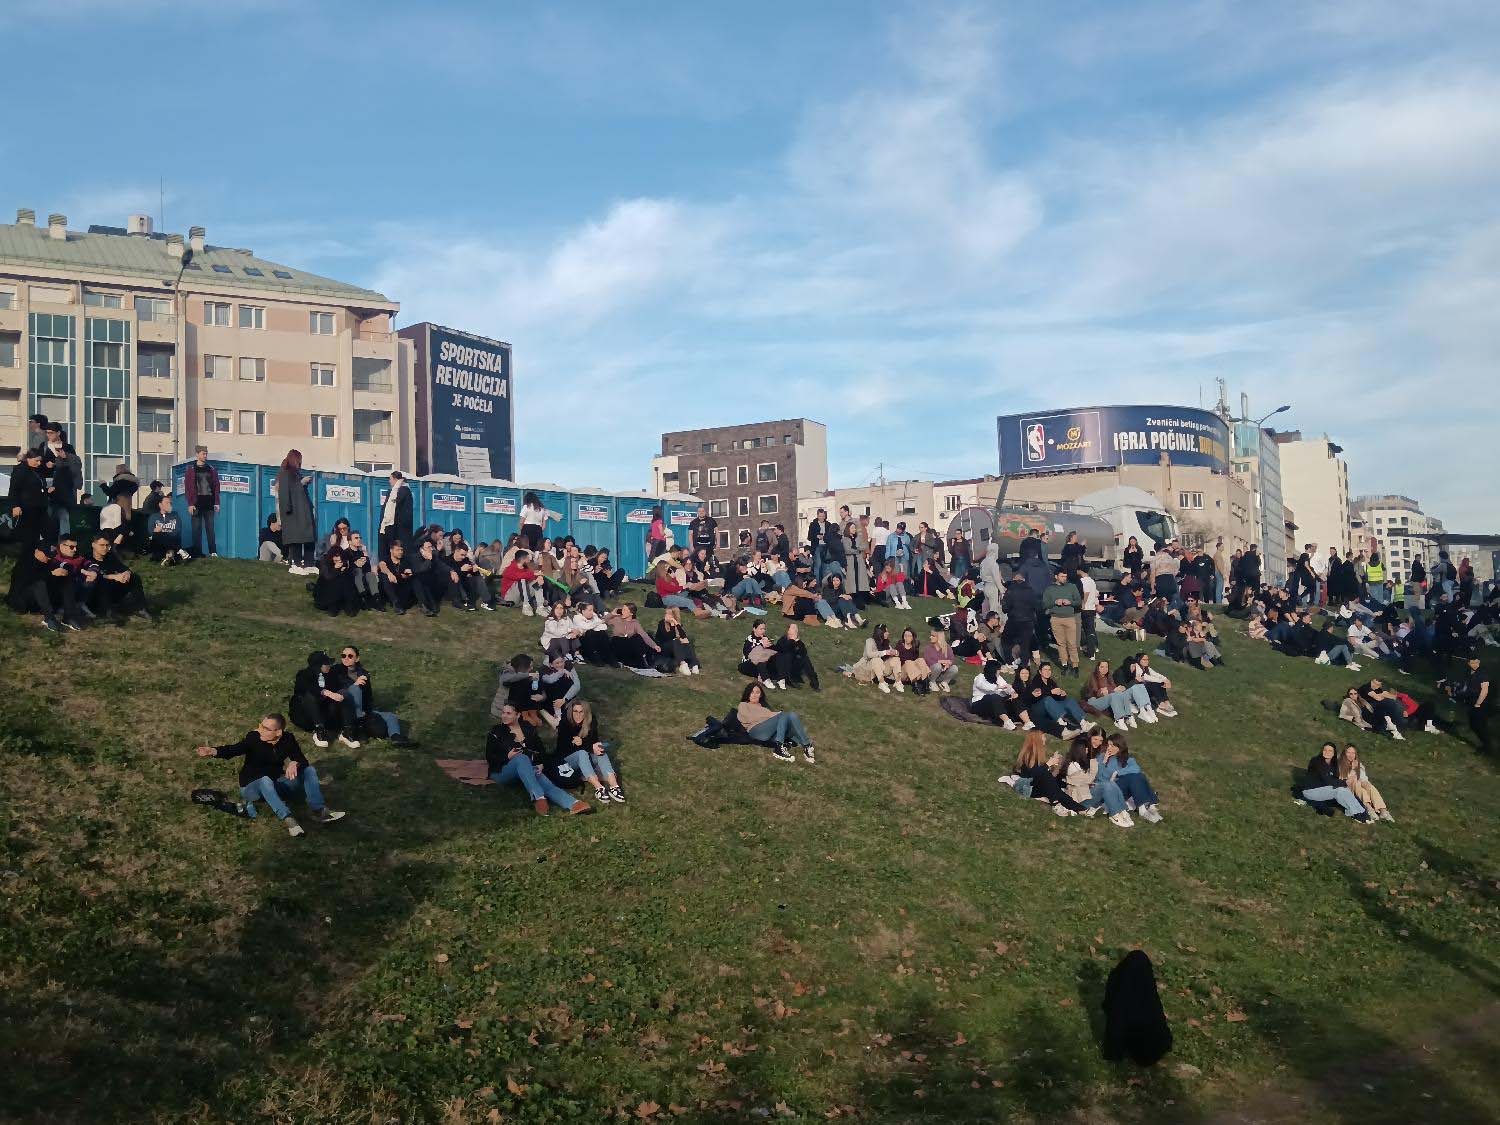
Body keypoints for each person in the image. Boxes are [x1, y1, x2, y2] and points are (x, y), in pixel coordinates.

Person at [194, 713, 345, 836]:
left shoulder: (288, 739)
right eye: (261, 726)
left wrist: (295, 763)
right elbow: (236, 749)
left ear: (278, 732)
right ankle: (289, 819)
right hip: (251, 788)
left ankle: (319, 811)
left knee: (309, 770)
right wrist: (213, 751)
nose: (260, 730)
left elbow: (302, 760)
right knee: (265, 780)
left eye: (265, 728)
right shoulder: (254, 737)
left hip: (276, 783)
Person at [486, 703, 592, 816]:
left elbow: (541, 750)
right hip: (502, 771)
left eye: (508, 713)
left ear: (517, 715)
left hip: (527, 768)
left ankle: (573, 804)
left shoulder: (528, 728)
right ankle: (539, 797)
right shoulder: (496, 732)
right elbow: (490, 757)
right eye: (503, 713)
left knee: (542, 779)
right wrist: (507, 757)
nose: (504, 716)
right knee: (521, 758)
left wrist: (541, 763)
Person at [556, 700, 625, 804]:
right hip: (568, 759)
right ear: (571, 712)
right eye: (575, 711)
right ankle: (599, 788)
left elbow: (593, 742)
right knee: (582, 753)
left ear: (586, 713)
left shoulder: (591, 721)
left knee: (600, 749)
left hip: (585, 755)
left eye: (581, 712)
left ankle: (614, 786)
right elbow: (565, 747)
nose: (578, 715)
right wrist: (586, 744)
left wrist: (585, 743)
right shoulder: (565, 722)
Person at [290, 652, 363, 748]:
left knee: (344, 694)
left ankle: (347, 731)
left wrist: (351, 687)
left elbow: (341, 684)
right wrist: (326, 692)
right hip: (307, 716)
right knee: (309, 696)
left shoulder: (331, 674)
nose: (329, 665)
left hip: (327, 712)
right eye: (326, 664)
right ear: (317, 666)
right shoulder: (303, 675)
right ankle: (319, 730)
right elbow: (305, 688)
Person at [1010, 731, 1088, 817]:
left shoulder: (1038, 756)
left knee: (1056, 789)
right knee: (1052, 785)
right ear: (1037, 740)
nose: (1045, 739)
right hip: (1027, 787)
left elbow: (1048, 779)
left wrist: (1057, 766)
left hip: (1037, 786)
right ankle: (1056, 805)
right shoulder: (1029, 755)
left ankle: (1079, 808)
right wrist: (1049, 764)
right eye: (1043, 737)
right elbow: (1034, 775)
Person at [737, 681, 815, 764]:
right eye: (752, 692)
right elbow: (749, 718)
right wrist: (772, 715)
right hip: (756, 730)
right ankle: (779, 748)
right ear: (748, 694)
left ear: (761, 695)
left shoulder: (764, 708)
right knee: (783, 715)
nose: (755, 695)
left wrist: (772, 715)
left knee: (792, 715)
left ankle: (807, 746)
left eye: (757, 692)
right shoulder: (743, 705)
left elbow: (773, 720)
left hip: (769, 734)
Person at [78, 533, 151, 621]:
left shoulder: (110, 556)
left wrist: (126, 573)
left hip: (111, 591)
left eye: (107, 545)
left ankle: (141, 608)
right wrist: (114, 577)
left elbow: (123, 568)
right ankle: (108, 611)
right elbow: (91, 577)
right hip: (95, 595)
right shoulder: (86, 558)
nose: (105, 548)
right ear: (93, 545)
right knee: (102, 581)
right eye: (101, 545)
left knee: (134, 577)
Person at [1297, 742, 1372, 822]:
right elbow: (1328, 780)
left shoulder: (1333, 764)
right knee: (1339, 790)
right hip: (1310, 791)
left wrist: (1352, 769)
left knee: (1343, 790)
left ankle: (1360, 812)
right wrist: (1345, 782)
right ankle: (1359, 814)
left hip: (1323, 791)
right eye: (1325, 750)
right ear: (1322, 751)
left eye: (1330, 751)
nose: (1327, 752)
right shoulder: (1316, 761)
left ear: (1334, 753)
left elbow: (1336, 779)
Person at [1097, 734, 1163, 823]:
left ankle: (1143, 807)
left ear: (1120, 747)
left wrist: (1117, 773)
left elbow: (1136, 769)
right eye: (1108, 745)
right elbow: (1097, 777)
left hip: (1121, 790)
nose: (1109, 748)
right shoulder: (1101, 758)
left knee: (1138, 776)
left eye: (1112, 746)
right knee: (1133, 777)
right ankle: (1144, 808)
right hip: (1107, 791)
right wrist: (1103, 762)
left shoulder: (1127, 759)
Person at [276, 450, 317, 573]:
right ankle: (296, 564)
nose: (300, 462)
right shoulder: (285, 473)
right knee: (296, 540)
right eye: (299, 460)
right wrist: (301, 483)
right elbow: (285, 493)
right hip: (293, 513)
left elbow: (295, 490)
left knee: (309, 537)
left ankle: (309, 564)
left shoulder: (295, 474)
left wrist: (302, 483)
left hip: (302, 512)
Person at [1085, 659, 1156, 728]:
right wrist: (1103, 691)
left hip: (1108, 697)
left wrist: (1118, 688)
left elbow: (1113, 688)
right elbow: (1095, 692)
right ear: (1098, 668)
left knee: (1126, 692)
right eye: (1102, 667)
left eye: (1106, 667)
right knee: (1114, 695)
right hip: (1094, 701)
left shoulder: (1109, 676)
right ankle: (1119, 719)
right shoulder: (1093, 676)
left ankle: (1130, 715)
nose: (1105, 669)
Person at [39, 421, 82, 537]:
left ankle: (64, 540)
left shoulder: (68, 447)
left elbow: (75, 466)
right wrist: (45, 465)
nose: (49, 435)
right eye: (47, 433)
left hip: (63, 486)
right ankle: (45, 540)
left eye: (51, 433)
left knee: (63, 514)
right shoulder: (43, 446)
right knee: (47, 512)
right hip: (47, 482)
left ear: (58, 433)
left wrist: (61, 461)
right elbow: (38, 464)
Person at [8, 446, 49, 551]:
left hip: (38, 508)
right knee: (28, 536)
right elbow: (14, 489)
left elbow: (39, 486)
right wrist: (15, 505)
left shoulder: (37, 471)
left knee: (38, 535)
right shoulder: (20, 470)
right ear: (29, 459)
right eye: (37, 461)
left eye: (40, 461)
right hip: (26, 508)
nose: (39, 463)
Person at [181, 447, 220, 557]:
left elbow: (216, 486)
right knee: (196, 530)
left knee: (210, 529)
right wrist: (190, 504)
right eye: (203, 454)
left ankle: (213, 552)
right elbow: (188, 488)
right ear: (197, 454)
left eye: (206, 454)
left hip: (209, 503)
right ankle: (198, 552)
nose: (205, 456)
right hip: (196, 504)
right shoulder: (191, 469)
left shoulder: (211, 469)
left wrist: (217, 502)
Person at [1339, 744, 1392, 823]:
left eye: (1353, 753)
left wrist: (1365, 783)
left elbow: (1363, 778)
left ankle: (1383, 810)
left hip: (1358, 786)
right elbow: (1342, 780)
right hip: (1347, 788)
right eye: (1348, 752)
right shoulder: (1339, 764)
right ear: (1344, 753)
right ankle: (1369, 808)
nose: (1351, 755)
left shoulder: (1358, 764)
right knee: (1357, 783)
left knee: (1369, 786)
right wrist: (1351, 769)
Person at [1045, 569, 1083, 675]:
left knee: (1072, 643)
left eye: (1065, 576)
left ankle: (1075, 666)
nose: (1064, 578)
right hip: (1056, 618)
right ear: (1056, 576)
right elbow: (1045, 604)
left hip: (1069, 618)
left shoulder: (1072, 587)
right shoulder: (1050, 589)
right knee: (1061, 643)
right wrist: (1054, 602)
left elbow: (1079, 601)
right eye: (1062, 576)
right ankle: (1064, 665)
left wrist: (1070, 602)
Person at [850, 622, 904, 693]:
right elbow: (869, 655)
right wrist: (884, 652)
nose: (888, 633)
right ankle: (881, 683)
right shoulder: (869, 641)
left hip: (882, 669)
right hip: (868, 668)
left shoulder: (886, 642)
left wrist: (896, 652)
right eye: (886, 631)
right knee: (876, 659)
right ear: (880, 633)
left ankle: (898, 682)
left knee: (896, 659)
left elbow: (892, 652)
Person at [606, 603, 662, 668]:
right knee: (634, 638)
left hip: (628, 646)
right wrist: (612, 614)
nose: (622, 612)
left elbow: (643, 635)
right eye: (622, 609)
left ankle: (646, 660)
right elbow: (603, 620)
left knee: (640, 637)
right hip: (617, 643)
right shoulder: (617, 619)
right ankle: (644, 660)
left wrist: (654, 645)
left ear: (631, 613)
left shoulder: (635, 623)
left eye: (624, 610)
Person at [1457, 655, 1491, 754]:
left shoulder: (1482, 673)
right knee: (1475, 725)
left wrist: (1478, 703)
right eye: (1472, 663)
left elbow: (1484, 690)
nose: (1475, 664)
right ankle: (1486, 745)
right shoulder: (1469, 672)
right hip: (1471, 702)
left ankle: (1488, 748)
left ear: (1479, 662)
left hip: (1481, 704)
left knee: (1478, 725)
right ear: (1468, 663)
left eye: (1477, 662)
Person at [969, 660, 1019, 728]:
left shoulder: (999, 678)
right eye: (998, 669)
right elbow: (985, 687)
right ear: (993, 670)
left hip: (996, 703)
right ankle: (1007, 721)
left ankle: (1023, 719)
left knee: (1013, 699)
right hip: (979, 704)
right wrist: (999, 687)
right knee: (994, 697)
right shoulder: (980, 678)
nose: (1000, 671)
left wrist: (1012, 692)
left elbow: (1006, 687)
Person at [145, 494, 192, 565]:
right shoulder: (153, 517)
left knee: (164, 536)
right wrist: (158, 532)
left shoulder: (175, 516)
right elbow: (150, 532)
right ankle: (179, 551)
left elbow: (177, 531)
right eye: (167, 503)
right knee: (157, 535)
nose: (170, 505)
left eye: (170, 503)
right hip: (159, 544)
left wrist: (164, 532)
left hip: (172, 540)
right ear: (160, 505)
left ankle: (168, 558)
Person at [654, 606, 702, 675]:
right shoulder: (661, 623)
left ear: (674, 615)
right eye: (666, 613)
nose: (666, 616)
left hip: (675, 648)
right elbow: (667, 637)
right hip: (663, 647)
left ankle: (694, 664)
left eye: (668, 614)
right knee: (676, 641)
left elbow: (683, 636)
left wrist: (676, 624)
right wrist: (672, 625)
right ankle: (683, 664)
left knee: (686, 642)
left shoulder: (678, 625)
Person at [313, 549, 361, 617]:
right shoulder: (325, 563)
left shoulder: (344, 564)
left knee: (345, 580)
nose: (338, 560)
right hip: (327, 592)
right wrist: (335, 569)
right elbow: (327, 577)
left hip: (341, 593)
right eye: (336, 558)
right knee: (336, 581)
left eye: (340, 558)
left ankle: (348, 606)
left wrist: (346, 570)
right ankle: (334, 606)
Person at [774, 621, 820, 691]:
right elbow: (783, 650)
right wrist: (792, 640)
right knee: (787, 655)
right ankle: (782, 680)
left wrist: (798, 642)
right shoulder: (782, 640)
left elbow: (803, 653)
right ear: (788, 631)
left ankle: (814, 683)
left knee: (805, 659)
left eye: (796, 629)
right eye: (792, 628)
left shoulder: (798, 642)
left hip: (793, 666)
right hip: (782, 666)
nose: (795, 630)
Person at [923, 628, 959, 693]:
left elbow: (952, 659)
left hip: (942, 673)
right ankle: (932, 682)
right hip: (931, 673)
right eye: (931, 635)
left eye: (933, 636)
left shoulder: (947, 647)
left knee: (955, 668)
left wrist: (948, 664)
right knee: (937, 666)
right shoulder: (928, 648)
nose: (930, 637)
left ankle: (944, 682)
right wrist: (942, 661)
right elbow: (927, 661)